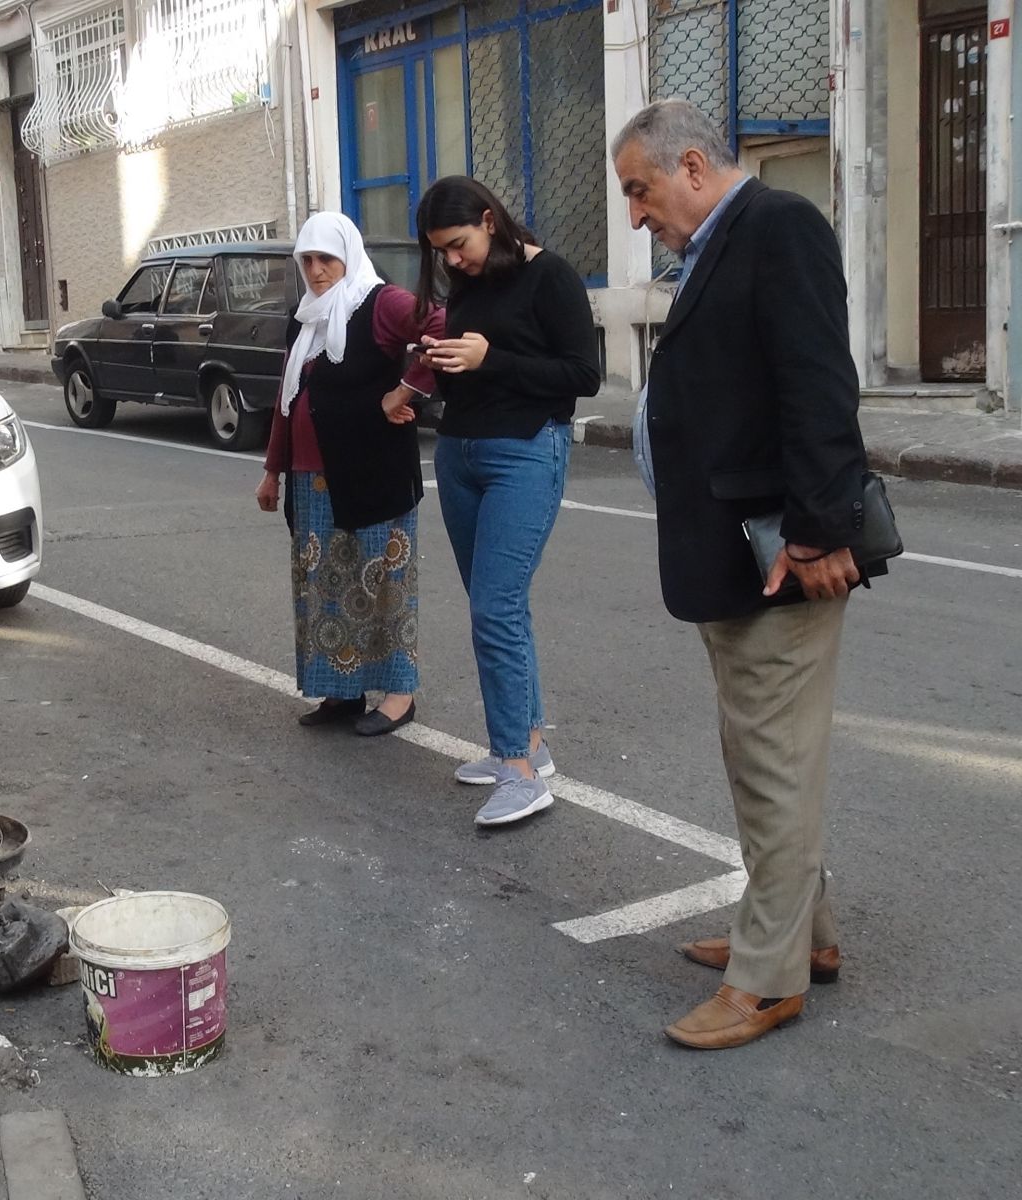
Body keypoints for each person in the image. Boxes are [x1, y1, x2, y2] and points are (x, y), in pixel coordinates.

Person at [612, 99, 868, 1049]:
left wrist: (819, 528)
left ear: (690, 165)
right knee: (764, 762)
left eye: (639, 191)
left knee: (773, 764)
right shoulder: (722, 241)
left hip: (779, 558)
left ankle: (772, 978)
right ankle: (807, 934)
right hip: (732, 553)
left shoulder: (780, 226)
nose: (635, 215)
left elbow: (818, 382)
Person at [412, 177, 601, 825]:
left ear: (490, 221)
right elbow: (476, 365)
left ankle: (518, 770)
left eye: (458, 245)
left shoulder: (552, 278)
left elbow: (583, 375)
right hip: (459, 454)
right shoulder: (469, 284)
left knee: (494, 608)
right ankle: (530, 745)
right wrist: (442, 361)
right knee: (497, 605)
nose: (452, 260)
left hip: (524, 452)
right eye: (441, 252)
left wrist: (491, 358)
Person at [256, 212, 444, 736]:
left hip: (373, 475)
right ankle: (342, 691)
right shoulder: (305, 317)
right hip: (311, 480)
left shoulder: (380, 303)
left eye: (326, 260)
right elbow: (286, 401)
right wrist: (273, 471)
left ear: (349, 257)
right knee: (326, 588)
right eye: (308, 260)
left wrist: (402, 392)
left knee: (382, 584)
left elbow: (442, 326)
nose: (316, 270)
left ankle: (399, 695)